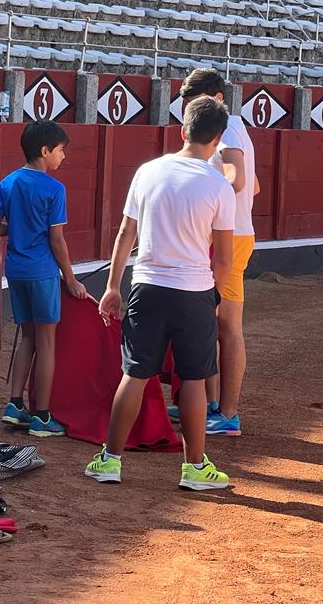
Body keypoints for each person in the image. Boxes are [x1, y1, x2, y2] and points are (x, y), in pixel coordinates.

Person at [86, 95, 235, 491]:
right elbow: (224, 259)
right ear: (217, 139)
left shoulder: (148, 172)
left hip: (148, 286)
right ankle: (194, 468)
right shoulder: (219, 186)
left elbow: (124, 235)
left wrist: (113, 287)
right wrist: (211, 294)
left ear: (183, 129)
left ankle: (110, 460)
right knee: (194, 379)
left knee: (134, 374)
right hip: (194, 291)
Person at [168, 68, 259, 437]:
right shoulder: (237, 127)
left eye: (196, 103)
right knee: (213, 323)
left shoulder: (228, 131)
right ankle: (208, 403)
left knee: (225, 326)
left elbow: (237, 180)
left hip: (229, 237)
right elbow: (253, 187)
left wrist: (197, 194)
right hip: (231, 233)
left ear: (217, 98)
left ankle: (227, 412)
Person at [0, 120, 87, 438]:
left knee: (27, 337)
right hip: (42, 272)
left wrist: (17, 230)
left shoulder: (9, 182)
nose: (63, 157)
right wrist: (70, 278)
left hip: (15, 271)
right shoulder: (54, 189)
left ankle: (15, 405)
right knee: (46, 344)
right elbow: (57, 240)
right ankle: (41, 416)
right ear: (45, 151)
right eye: (60, 151)